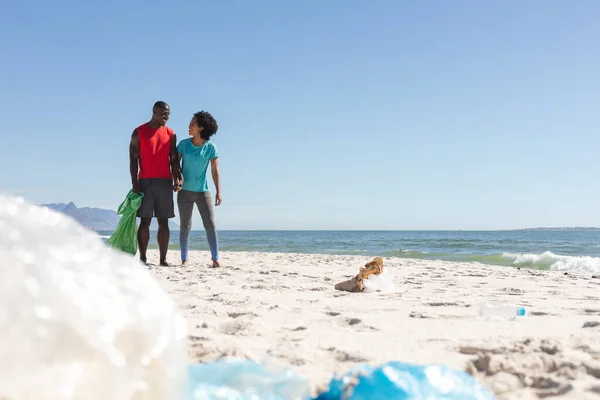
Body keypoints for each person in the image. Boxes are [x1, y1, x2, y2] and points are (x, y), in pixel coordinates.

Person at [129, 101, 182, 266]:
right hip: (144, 181)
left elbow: (173, 160)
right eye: (163, 113)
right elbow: (133, 160)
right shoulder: (139, 132)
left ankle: (163, 259)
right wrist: (134, 183)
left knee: (163, 221)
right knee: (145, 221)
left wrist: (177, 179)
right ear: (154, 111)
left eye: (168, 114)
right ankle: (143, 257)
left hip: (165, 181)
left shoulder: (171, 134)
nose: (166, 116)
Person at [175, 110, 221, 267]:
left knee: (210, 224)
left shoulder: (210, 148)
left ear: (201, 127)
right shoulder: (183, 145)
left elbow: (215, 172)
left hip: (203, 192)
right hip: (184, 192)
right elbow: (174, 166)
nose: (189, 125)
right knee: (185, 225)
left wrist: (218, 192)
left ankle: (215, 259)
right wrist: (176, 182)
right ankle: (184, 259)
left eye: (193, 123)